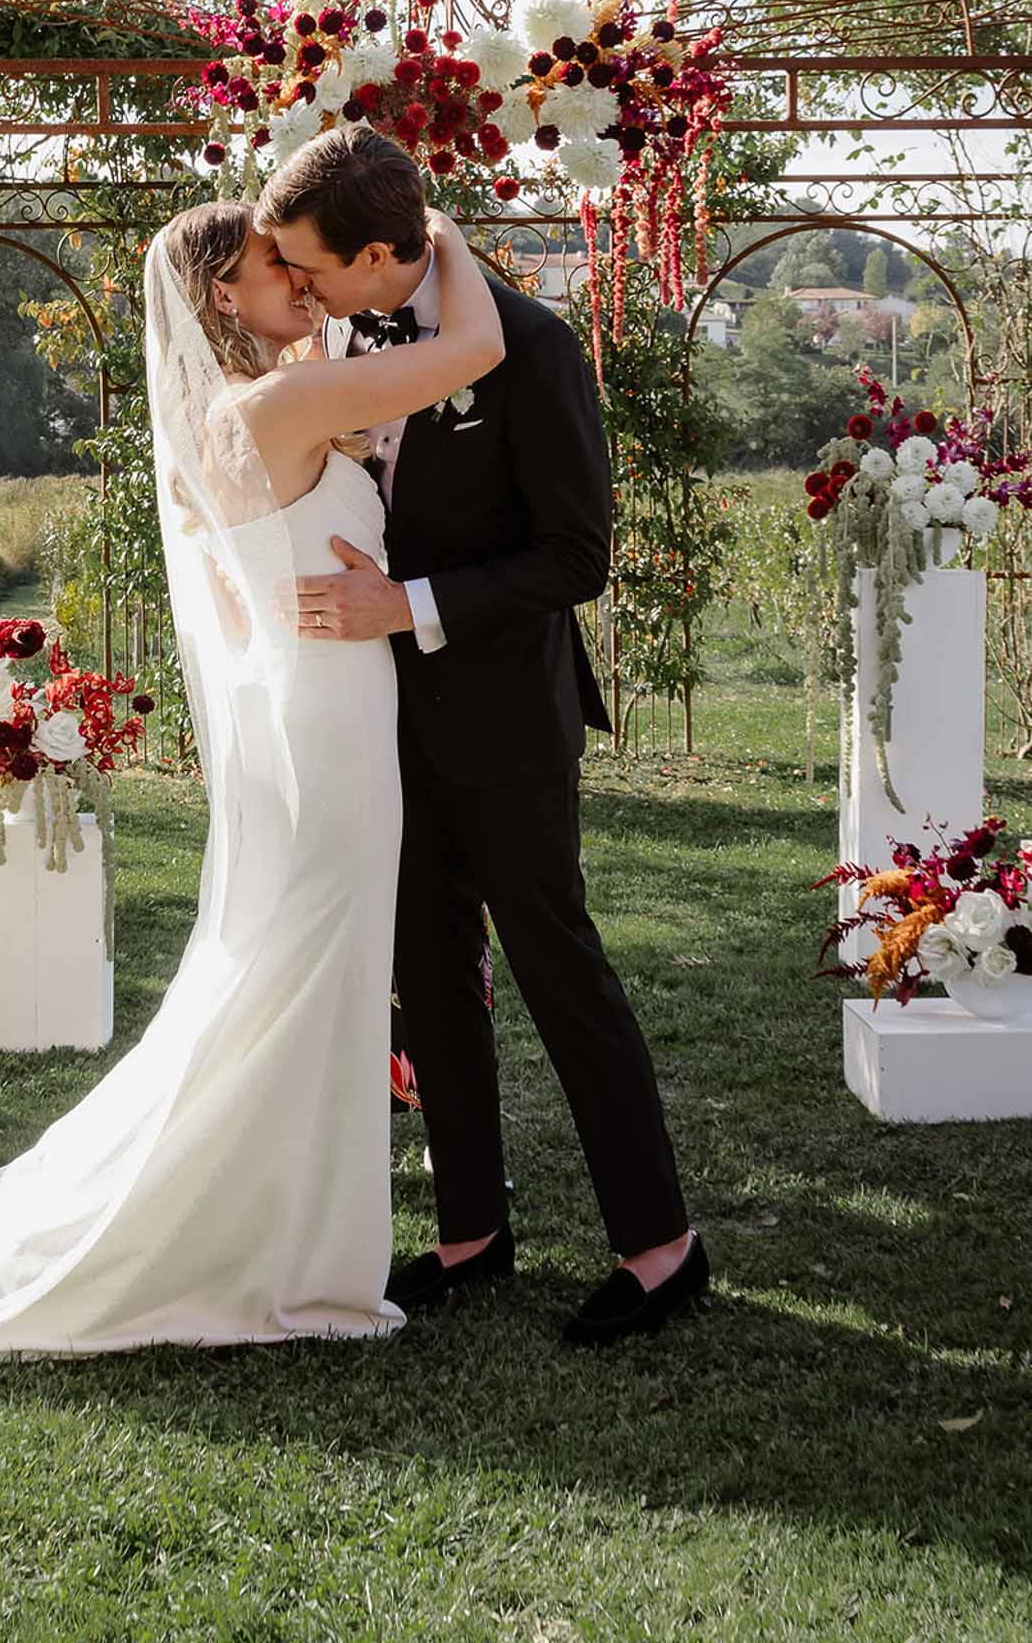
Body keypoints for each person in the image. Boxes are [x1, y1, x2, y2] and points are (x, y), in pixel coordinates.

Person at [0, 198, 503, 1399]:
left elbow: (241, 585)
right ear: (224, 292)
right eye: (282, 266)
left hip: (308, 717)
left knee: (293, 968)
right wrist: (442, 238)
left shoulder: (235, 410)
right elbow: (471, 353)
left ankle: (290, 1223)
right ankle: (286, 1243)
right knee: (306, 968)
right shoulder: (274, 406)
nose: (307, 282)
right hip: (328, 734)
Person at [256, 125, 709, 1349]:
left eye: (314, 268)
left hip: (508, 720)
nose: (300, 293)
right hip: (385, 722)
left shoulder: (534, 347)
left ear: (384, 252)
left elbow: (577, 556)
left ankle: (661, 1246)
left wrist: (401, 606)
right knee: (429, 973)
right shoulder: (347, 341)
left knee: (558, 965)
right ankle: (471, 1228)